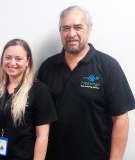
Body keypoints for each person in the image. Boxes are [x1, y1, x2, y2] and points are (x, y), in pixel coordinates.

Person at [37, 5, 135, 160]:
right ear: (60, 31)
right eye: (65, 28)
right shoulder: (47, 67)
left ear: (89, 30)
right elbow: (39, 117)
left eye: (78, 27)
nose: (71, 34)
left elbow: (121, 119)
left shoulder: (108, 66)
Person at [0, 38, 57, 160]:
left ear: (27, 61)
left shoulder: (40, 91)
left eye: (18, 59)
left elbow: (42, 137)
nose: (12, 63)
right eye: (8, 57)